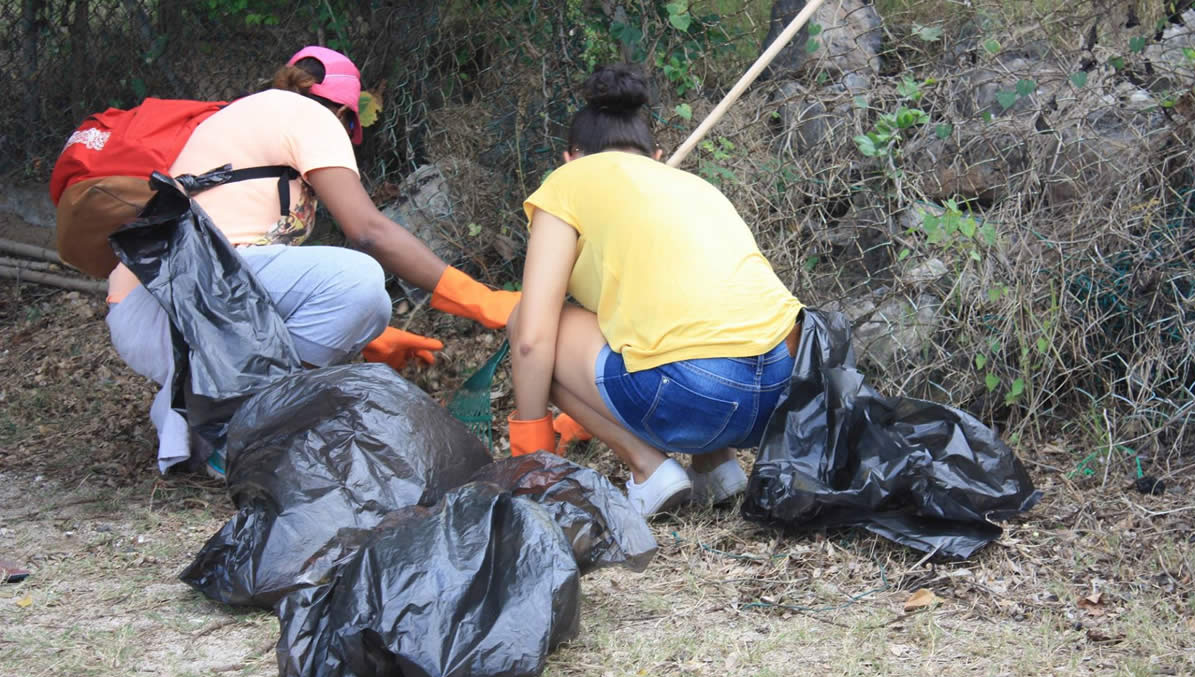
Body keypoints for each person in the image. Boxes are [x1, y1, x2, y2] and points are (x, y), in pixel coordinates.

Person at [103, 46, 519, 473]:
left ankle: (205, 426)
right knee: (359, 282)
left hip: (151, 309)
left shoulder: (252, 118)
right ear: (343, 113)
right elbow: (368, 230)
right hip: (178, 303)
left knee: (363, 299)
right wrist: (478, 299)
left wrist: (370, 334)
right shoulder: (309, 116)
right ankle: (237, 438)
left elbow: (264, 287)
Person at [506, 64, 804, 518]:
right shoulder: (695, 185)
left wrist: (529, 456)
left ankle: (649, 468)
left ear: (570, 158)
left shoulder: (568, 182)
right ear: (658, 156)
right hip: (781, 393)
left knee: (527, 320)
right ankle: (716, 467)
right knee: (685, 320)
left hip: (695, 396)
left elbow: (531, 340)